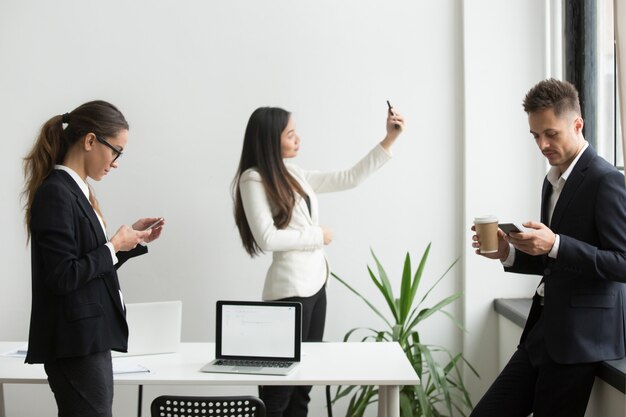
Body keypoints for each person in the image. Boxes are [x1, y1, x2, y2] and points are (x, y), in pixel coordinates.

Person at [232, 105, 404, 416]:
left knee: (303, 387)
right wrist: (317, 235)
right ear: (271, 139)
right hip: (287, 294)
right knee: (278, 392)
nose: (298, 139)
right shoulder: (253, 178)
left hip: (316, 287)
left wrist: (388, 140)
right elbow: (267, 238)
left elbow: (349, 177)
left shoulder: (291, 173)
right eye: (290, 134)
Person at [470, 78, 626, 417]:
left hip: (580, 341)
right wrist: (508, 253)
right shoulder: (552, 180)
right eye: (535, 136)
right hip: (541, 332)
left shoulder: (606, 180)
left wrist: (555, 243)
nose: (542, 144)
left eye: (550, 134)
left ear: (577, 124)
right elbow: (554, 262)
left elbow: (622, 262)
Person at [22, 100, 164, 417]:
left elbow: (87, 266)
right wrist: (113, 245)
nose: (115, 162)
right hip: (75, 342)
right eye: (116, 151)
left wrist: (127, 244)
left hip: (89, 339)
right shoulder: (57, 192)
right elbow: (62, 276)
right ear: (89, 140)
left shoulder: (78, 190)